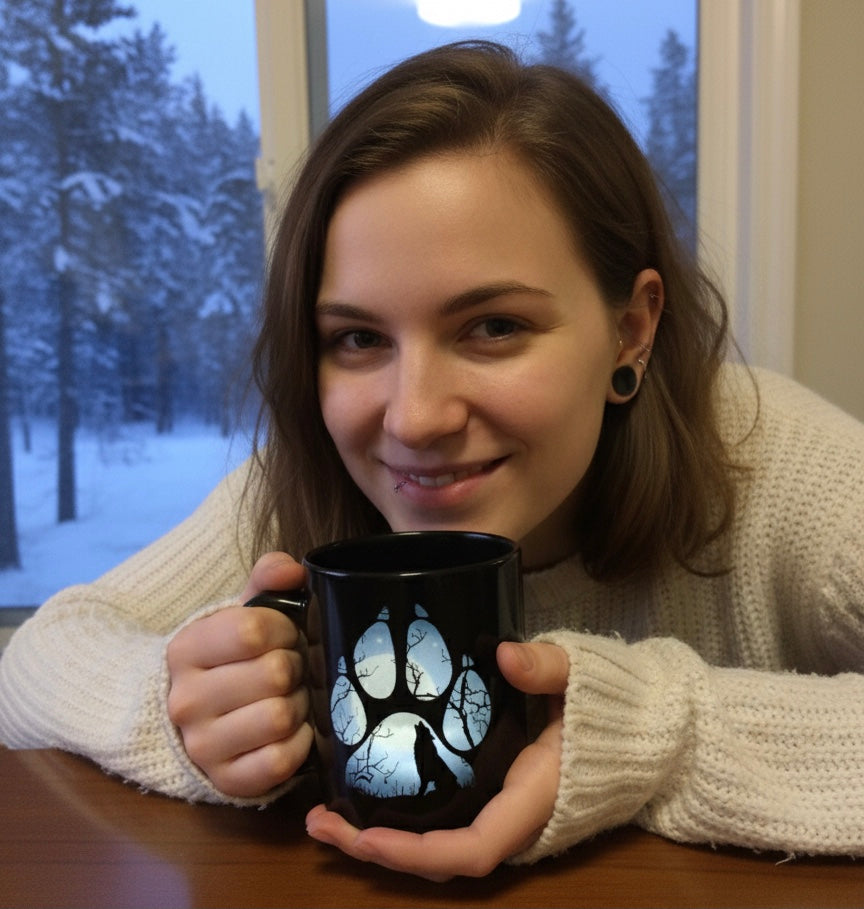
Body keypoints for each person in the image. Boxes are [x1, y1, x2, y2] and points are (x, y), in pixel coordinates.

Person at [2, 40, 863, 881]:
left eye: (494, 327)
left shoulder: (771, 464)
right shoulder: (299, 497)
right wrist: (173, 706)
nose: (414, 418)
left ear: (630, 329)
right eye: (358, 337)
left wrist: (658, 735)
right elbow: (34, 662)